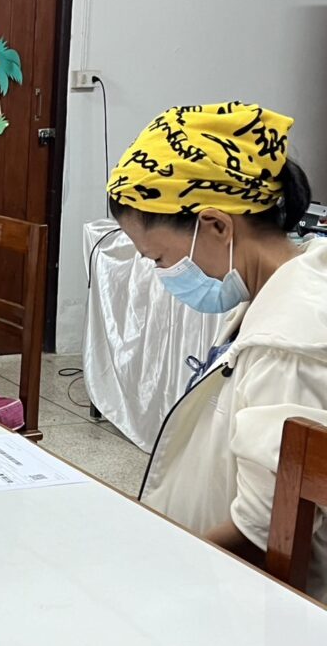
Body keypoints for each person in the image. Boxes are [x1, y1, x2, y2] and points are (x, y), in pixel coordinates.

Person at [106, 101, 327, 600]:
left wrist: (160, 580)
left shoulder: (290, 344)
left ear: (217, 226)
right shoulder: (277, 289)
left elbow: (267, 531)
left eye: (159, 257)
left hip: (244, 599)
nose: (163, 274)